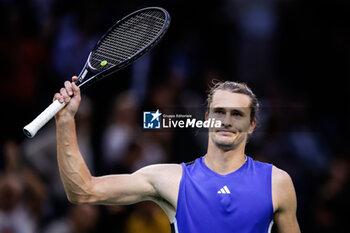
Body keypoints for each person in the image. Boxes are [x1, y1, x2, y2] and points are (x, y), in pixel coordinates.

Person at [54, 76, 300, 233]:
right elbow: (83, 190)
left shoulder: (276, 182)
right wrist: (65, 121)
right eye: (219, 112)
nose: (226, 121)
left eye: (237, 114)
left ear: (252, 124)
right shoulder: (171, 178)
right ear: (207, 118)